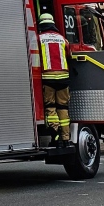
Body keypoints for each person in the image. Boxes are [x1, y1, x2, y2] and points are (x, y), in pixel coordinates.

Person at [37, 12, 71, 142]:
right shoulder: (62, 39)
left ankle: (55, 134)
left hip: (48, 78)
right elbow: (68, 55)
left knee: (50, 106)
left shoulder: (39, 38)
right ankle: (66, 137)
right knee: (63, 107)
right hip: (63, 78)